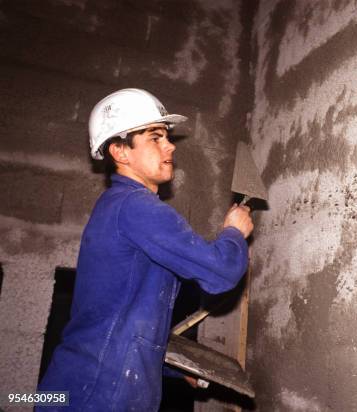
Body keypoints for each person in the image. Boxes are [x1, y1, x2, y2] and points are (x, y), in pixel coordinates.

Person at [37, 88, 253, 411]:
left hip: (75, 390)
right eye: (155, 137)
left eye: (167, 137)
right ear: (120, 152)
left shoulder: (120, 210)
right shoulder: (135, 207)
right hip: (92, 398)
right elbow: (219, 273)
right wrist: (234, 232)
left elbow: (121, 327)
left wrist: (174, 371)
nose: (169, 146)